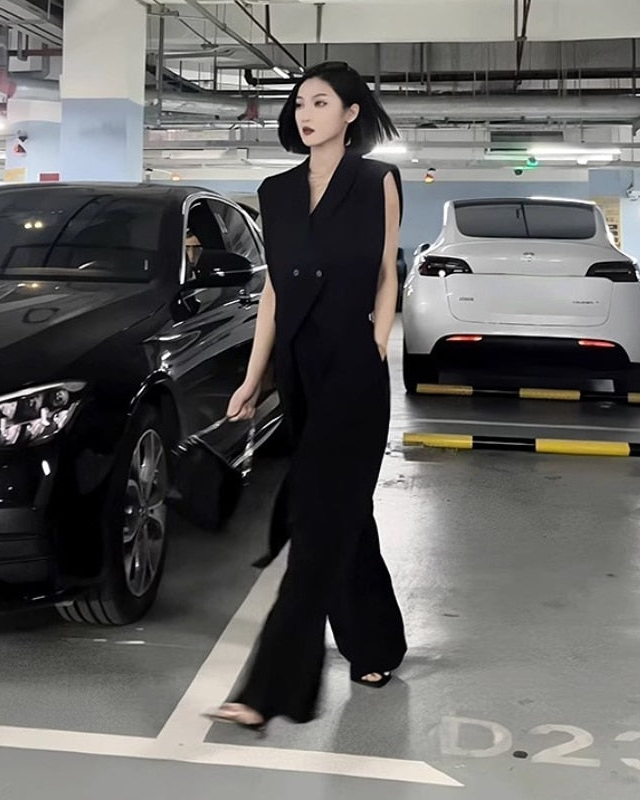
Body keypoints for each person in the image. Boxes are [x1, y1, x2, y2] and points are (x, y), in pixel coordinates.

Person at [206, 61, 407, 732]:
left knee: (317, 520)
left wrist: (376, 343)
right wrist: (254, 376)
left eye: (320, 102)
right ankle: (376, 643)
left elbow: (386, 271)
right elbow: (273, 291)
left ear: (351, 113)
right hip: (297, 367)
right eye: (299, 104)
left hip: (353, 365)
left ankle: (270, 690)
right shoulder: (276, 191)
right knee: (345, 510)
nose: (305, 113)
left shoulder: (377, 180)